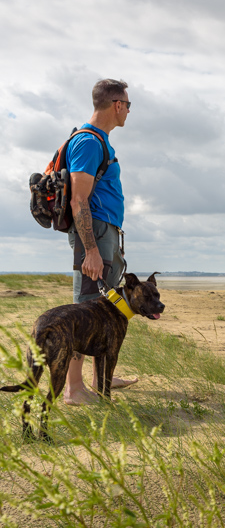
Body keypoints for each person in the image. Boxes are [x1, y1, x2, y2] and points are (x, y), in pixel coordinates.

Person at [63, 79, 138, 405]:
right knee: (85, 310)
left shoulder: (100, 141)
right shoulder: (89, 142)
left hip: (105, 232)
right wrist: (91, 249)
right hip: (93, 234)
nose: (128, 111)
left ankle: (100, 379)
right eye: (128, 105)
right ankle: (73, 390)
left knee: (102, 308)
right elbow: (79, 201)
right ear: (117, 105)